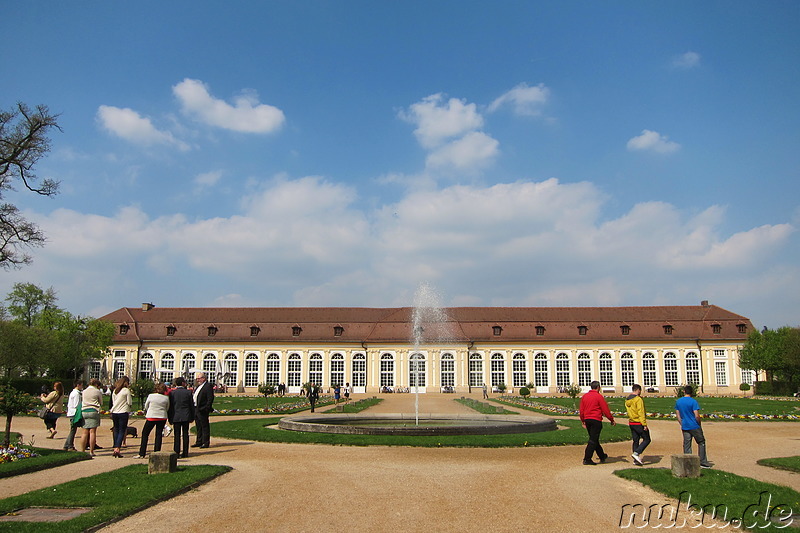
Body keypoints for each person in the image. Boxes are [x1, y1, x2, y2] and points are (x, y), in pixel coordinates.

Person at [579, 380, 616, 465]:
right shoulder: (598, 396)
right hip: (596, 420)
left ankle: (602, 456)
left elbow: (581, 410)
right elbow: (605, 410)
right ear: (598, 387)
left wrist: (583, 420)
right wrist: (611, 419)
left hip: (588, 419)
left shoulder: (585, 396)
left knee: (594, 439)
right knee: (593, 440)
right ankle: (587, 458)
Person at [675, 385, 711, 468]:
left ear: (684, 391)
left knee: (687, 444)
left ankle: (688, 462)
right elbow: (697, 415)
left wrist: (682, 423)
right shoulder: (693, 402)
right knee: (701, 442)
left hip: (685, 425)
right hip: (694, 425)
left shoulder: (679, 401)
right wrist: (699, 423)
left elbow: (678, 415)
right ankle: (703, 461)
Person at [135, 382, 170, 458]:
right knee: (158, 434)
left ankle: (142, 453)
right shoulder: (166, 397)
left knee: (145, 434)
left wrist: (148, 411)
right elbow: (167, 407)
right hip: (162, 416)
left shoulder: (151, 396)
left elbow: (146, 405)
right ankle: (157, 452)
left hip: (152, 416)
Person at [168, 376, 195, 458]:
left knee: (177, 435)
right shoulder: (188, 392)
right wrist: (192, 417)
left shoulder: (172, 393)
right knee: (185, 434)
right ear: (183, 383)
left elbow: (171, 407)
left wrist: (170, 418)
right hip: (186, 415)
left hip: (176, 416)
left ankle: (176, 451)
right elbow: (191, 406)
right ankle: (185, 452)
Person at [625, 384, 651, 466]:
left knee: (635, 440)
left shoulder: (627, 399)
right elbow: (640, 412)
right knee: (647, 439)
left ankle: (635, 459)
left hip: (631, 422)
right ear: (638, 390)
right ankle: (636, 453)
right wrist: (644, 424)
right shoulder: (638, 399)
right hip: (638, 422)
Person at [79, 378, 104, 456]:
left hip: (84, 410)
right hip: (93, 410)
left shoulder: (84, 391)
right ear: (96, 384)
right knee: (92, 432)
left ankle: (82, 450)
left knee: (84, 432)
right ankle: (91, 451)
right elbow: (101, 402)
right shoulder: (97, 391)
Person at [110, 376, 132, 458]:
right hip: (123, 412)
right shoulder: (126, 390)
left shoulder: (115, 391)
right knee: (122, 431)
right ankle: (117, 448)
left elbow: (113, 401)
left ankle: (115, 446)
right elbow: (129, 402)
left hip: (115, 412)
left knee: (116, 429)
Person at [193, 372, 214, 448]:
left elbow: (210, 398)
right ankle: (199, 441)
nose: (197, 380)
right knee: (198, 426)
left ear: (203, 378)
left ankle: (205, 442)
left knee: (204, 426)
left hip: (202, 409)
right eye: (197, 378)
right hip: (196, 408)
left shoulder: (207, 386)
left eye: (199, 378)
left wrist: (206, 408)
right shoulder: (198, 386)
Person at [63, 380, 84, 451]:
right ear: (78, 385)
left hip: (72, 413)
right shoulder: (76, 394)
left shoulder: (74, 392)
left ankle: (67, 445)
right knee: (73, 430)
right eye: (81, 385)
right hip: (74, 413)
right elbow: (76, 405)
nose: (82, 387)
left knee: (73, 430)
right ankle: (70, 446)